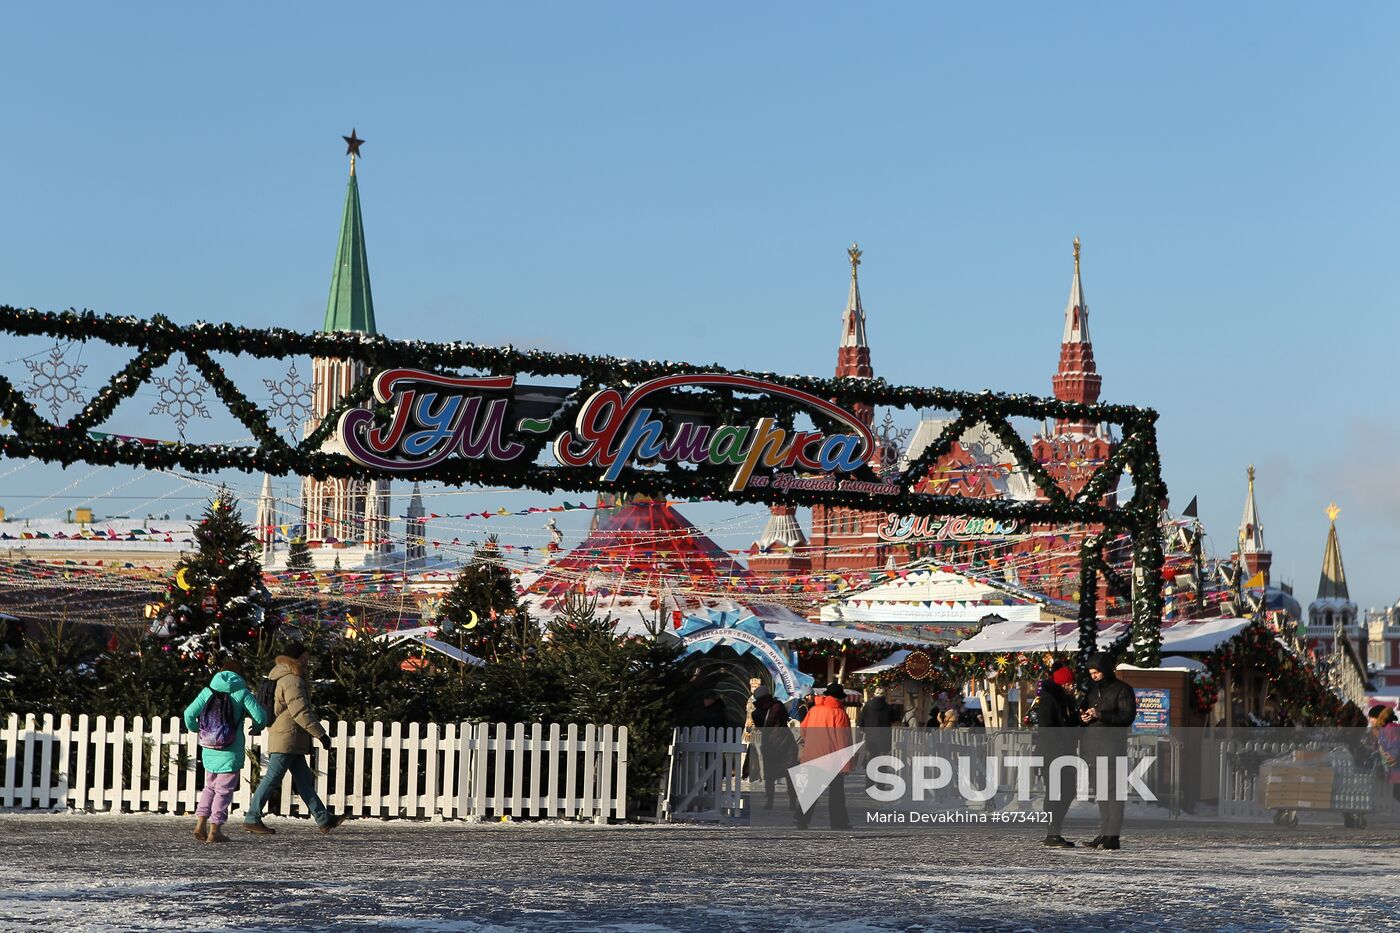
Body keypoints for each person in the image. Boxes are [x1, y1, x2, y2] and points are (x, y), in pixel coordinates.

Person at [244, 642, 347, 835]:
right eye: (304, 658)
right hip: (288, 737)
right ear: (295, 659)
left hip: (291, 737)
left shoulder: (280, 675)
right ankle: (252, 817)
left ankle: (323, 817)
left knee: (303, 780)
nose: (307, 662)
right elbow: (300, 711)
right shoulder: (292, 680)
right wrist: (320, 734)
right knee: (273, 777)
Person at [182, 656, 270, 843]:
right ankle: (215, 830)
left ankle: (200, 824)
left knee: (209, 787)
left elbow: (188, 714)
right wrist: (257, 727)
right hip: (231, 748)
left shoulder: (208, 691)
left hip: (210, 747)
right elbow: (261, 717)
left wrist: (198, 729)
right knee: (224, 790)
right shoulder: (242, 693)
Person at [1080, 652, 1137, 850]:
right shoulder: (1092, 690)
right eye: (1091, 673)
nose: (1094, 676)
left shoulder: (1122, 690)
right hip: (1092, 747)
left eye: (1097, 672)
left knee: (1113, 792)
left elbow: (1126, 716)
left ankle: (1113, 836)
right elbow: (1086, 709)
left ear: (1105, 670)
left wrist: (1101, 715)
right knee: (1101, 793)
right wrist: (1085, 717)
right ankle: (1105, 833)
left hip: (1111, 748)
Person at [797, 681, 854, 830]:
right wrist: (846, 764)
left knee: (812, 789)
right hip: (831, 759)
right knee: (836, 792)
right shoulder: (839, 713)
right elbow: (843, 740)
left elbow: (803, 731)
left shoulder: (814, 710)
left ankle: (801, 819)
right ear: (839, 698)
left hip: (812, 756)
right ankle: (838, 821)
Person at [1034, 662, 1079, 848]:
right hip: (1051, 753)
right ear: (1061, 684)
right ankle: (1052, 832)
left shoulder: (1066, 699)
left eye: (1072, 683)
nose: (1072, 687)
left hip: (1065, 752)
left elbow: (1068, 724)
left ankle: (1055, 829)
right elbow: (1046, 729)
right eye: (1068, 684)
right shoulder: (1049, 699)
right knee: (1054, 791)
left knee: (1068, 790)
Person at [754, 690, 799, 811]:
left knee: (769, 775)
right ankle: (792, 801)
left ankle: (769, 801)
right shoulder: (778, 706)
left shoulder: (757, 712)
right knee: (790, 773)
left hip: (769, 744)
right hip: (785, 742)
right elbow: (784, 717)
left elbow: (761, 727)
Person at [857, 687, 894, 788]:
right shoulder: (888, 707)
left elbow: (860, 722)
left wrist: (866, 730)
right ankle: (881, 786)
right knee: (882, 763)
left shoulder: (867, 706)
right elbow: (894, 720)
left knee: (871, 763)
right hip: (885, 738)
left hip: (871, 738)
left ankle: (869, 786)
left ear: (874, 694)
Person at [1369, 705, 1400, 802]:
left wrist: (1387, 759)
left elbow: (1394, 751)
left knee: (1397, 794)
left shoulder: (1390, 729)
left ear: (1379, 717)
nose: (1370, 721)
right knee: (1396, 794)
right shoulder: (1384, 729)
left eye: (1372, 718)